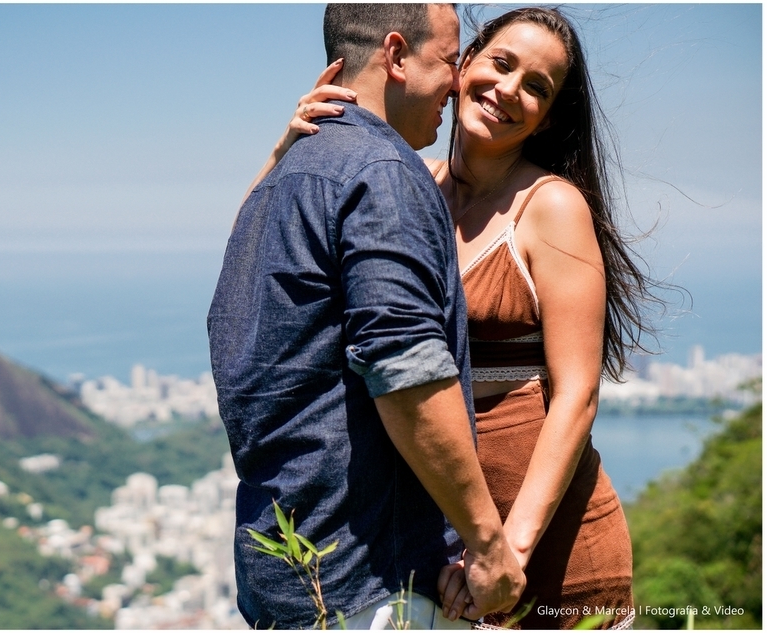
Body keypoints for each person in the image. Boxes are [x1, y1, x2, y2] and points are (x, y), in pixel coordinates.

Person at [252, 6, 656, 630]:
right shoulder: (408, 186)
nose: (510, 91)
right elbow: (255, 260)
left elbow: (576, 396)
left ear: (548, 116)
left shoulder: (550, 206)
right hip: (448, 551)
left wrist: (508, 552)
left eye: (537, 88)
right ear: (463, 64)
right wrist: (287, 151)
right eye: (501, 63)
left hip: (547, 551)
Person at [208, 4, 525, 629]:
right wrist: (487, 545)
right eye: (447, 61)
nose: (460, 82)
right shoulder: (382, 173)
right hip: (373, 585)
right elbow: (404, 366)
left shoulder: (279, 183)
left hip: (289, 579)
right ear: (398, 55)